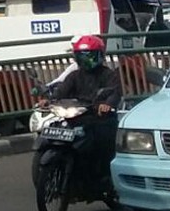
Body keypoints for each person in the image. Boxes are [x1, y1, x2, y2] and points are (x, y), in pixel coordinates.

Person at [40, 35, 123, 188]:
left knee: (101, 143)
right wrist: (49, 100)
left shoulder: (108, 75)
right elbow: (62, 91)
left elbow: (115, 93)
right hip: (77, 116)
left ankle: (104, 177)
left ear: (100, 55)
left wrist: (106, 105)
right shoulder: (74, 76)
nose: (86, 60)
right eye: (82, 57)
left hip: (99, 118)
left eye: (90, 56)